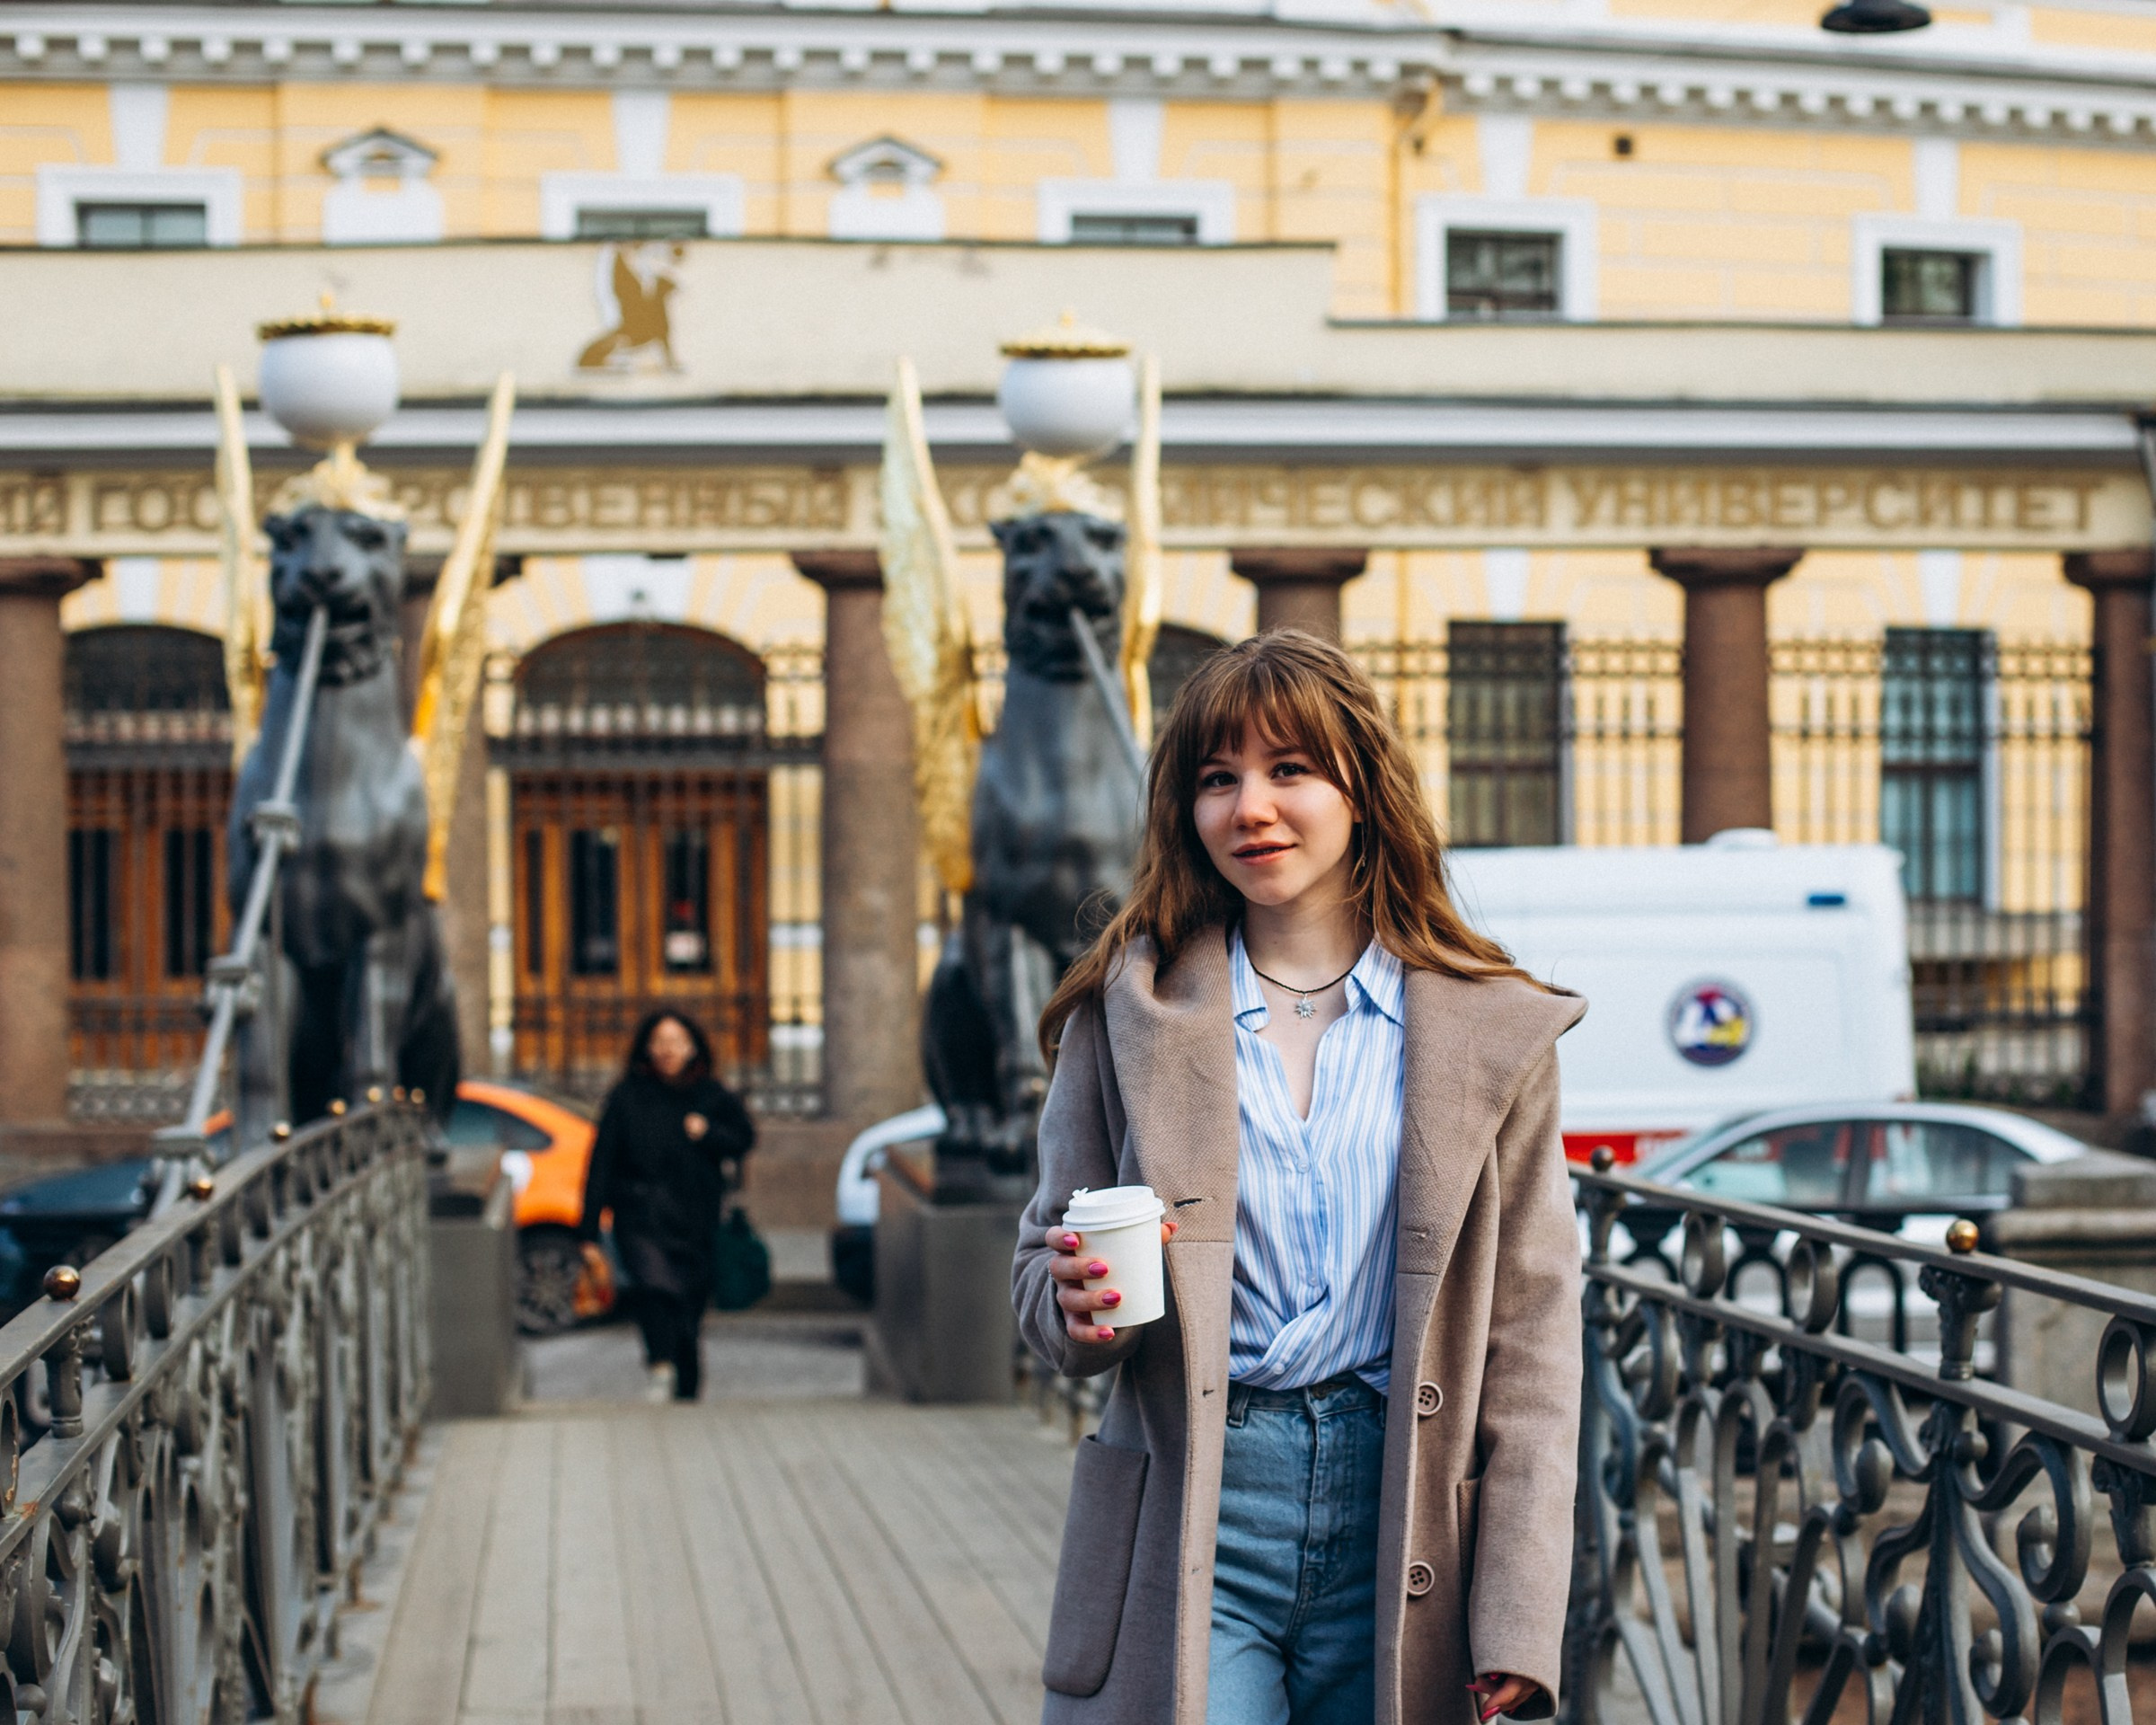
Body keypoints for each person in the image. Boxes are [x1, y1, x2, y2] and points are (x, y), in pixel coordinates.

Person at [1014, 630, 1586, 1725]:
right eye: (1216, 780)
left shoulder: (1489, 1028)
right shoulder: (1125, 1013)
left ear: (1361, 789)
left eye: (1290, 770)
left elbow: (1533, 1343)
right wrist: (1080, 1305)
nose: (1250, 809)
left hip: (1405, 1511)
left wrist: (1518, 1610)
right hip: (1198, 1507)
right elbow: (1041, 1282)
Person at [580, 1010, 755, 1402]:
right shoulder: (626, 1096)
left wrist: (708, 1133)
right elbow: (601, 1162)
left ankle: (686, 1375)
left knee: (689, 1299)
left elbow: (742, 1138)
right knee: (653, 1287)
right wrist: (588, 1229)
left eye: (676, 1042)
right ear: (646, 1047)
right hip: (639, 1213)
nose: (667, 1051)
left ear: (692, 1047)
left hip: (695, 1216)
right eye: (660, 1042)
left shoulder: (711, 1094)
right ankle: (660, 1364)